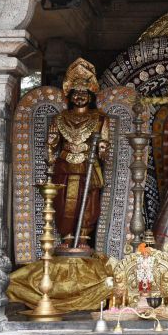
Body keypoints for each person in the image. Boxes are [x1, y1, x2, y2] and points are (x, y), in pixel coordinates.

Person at [46, 57, 109, 251]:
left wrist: (102, 149)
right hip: (64, 165)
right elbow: (52, 146)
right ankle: (66, 237)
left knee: (88, 202)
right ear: (70, 95)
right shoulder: (60, 118)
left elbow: (104, 143)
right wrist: (51, 145)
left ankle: (83, 237)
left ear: (90, 96)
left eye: (84, 92)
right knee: (64, 202)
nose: (80, 96)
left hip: (87, 165)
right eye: (76, 92)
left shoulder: (99, 118)